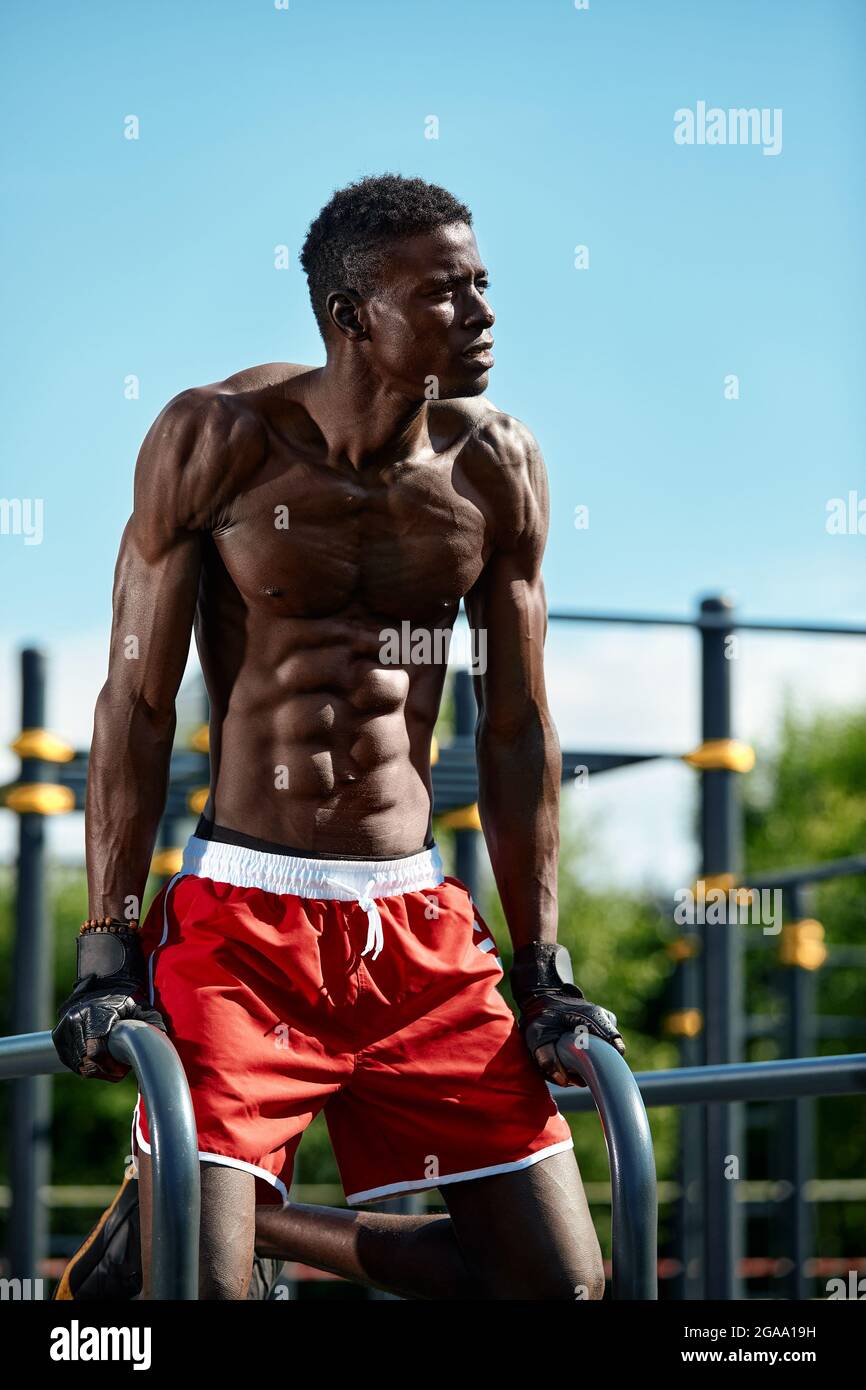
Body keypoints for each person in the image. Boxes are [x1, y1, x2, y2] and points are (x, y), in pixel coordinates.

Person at [53, 173, 625, 1301]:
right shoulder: (217, 438)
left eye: (481, 285)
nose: (480, 313)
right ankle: (196, 1224)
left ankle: (259, 1224)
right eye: (443, 293)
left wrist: (543, 960)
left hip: (414, 926)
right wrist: (106, 943)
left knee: (561, 1285)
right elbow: (135, 704)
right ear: (353, 316)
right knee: (196, 1298)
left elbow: (514, 726)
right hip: (243, 922)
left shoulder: (493, 466)